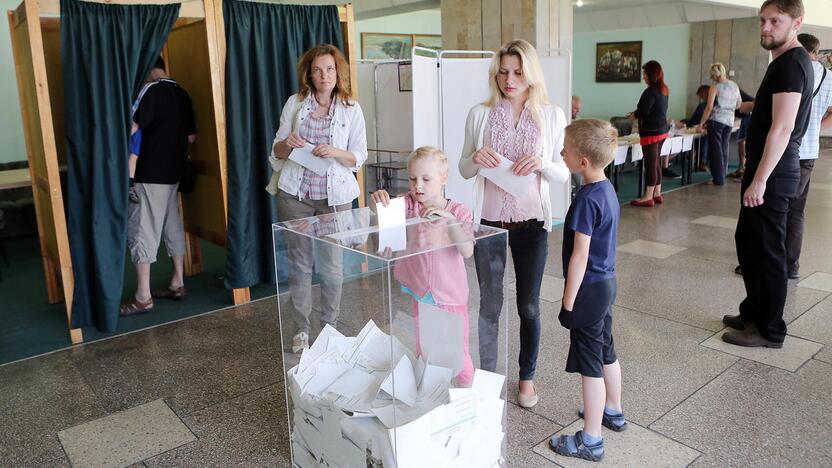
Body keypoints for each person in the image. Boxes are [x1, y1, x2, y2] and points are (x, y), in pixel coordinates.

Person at [459, 39, 569, 408]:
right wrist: (475, 157)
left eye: (518, 72)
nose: (509, 79)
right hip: (488, 222)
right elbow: (463, 168)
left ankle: (527, 379)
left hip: (532, 223)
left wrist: (541, 164)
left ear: (531, 74)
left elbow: (563, 171)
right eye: (503, 71)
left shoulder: (551, 116)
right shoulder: (480, 113)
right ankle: (488, 378)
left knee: (529, 306)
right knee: (490, 304)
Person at [723, 0, 814, 349]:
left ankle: (770, 329)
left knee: (768, 250)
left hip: (773, 172)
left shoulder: (791, 64)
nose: (765, 27)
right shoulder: (782, 62)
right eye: (762, 20)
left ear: (796, 22)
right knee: (748, 241)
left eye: (775, 21)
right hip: (768, 168)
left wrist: (759, 178)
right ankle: (753, 312)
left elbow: (783, 127)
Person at [268, 44, 368, 353]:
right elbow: (276, 152)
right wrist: (288, 142)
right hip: (295, 194)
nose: (324, 75)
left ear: (338, 72)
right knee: (299, 264)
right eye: (317, 70)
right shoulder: (296, 104)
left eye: (329, 68)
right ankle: (301, 329)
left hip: (333, 197)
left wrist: (335, 151)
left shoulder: (352, 108)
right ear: (309, 75)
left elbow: (359, 157)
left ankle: (330, 328)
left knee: (332, 265)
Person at [549, 119, 623, 462]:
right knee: (607, 349)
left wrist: (567, 304)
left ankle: (591, 439)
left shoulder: (585, 201)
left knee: (590, 364)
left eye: (566, 149)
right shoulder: (607, 190)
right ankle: (613, 410)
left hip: (588, 292)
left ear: (583, 163)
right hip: (606, 285)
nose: (561, 152)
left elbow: (579, 257)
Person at [372, 147, 475, 386]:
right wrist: (375, 201)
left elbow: (467, 251)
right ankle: (429, 392)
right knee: (425, 346)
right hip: (420, 291)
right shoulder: (409, 205)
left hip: (449, 295)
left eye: (426, 179)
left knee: (458, 353)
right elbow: (380, 212)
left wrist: (449, 221)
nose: (418, 186)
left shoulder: (459, 211)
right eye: (412, 179)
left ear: (444, 178)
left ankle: (465, 397)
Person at [120, 57, 196, 316]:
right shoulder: (181, 92)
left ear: (146, 69)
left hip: (150, 174)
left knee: (143, 230)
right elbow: (191, 137)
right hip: (174, 173)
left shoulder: (149, 90)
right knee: (172, 224)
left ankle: (143, 296)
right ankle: (178, 282)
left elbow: (131, 128)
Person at [786, 33, 832, 279]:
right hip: (809, 151)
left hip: (786, 148)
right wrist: (815, 128)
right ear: (816, 50)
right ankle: (791, 266)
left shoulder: (792, 69)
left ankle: (770, 263)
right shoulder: (829, 77)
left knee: (777, 207)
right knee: (797, 210)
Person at [628, 60, 670, 207]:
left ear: (651, 74)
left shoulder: (650, 91)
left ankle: (647, 196)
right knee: (656, 162)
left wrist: (634, 115)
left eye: (645, 74)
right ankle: (657, 193)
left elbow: (644, 111)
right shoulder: (664, 89)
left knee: (651, 164)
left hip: (651, 132)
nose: (643, 77)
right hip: (662, 131)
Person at [696, 63, 741, 185]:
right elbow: (738, 104)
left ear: (716, 74)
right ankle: (722, 176)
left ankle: (718, 179)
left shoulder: (715, 87)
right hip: (729, 121)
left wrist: (701, 123)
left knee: (715, 150)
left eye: (712, 75)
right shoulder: (735, 86)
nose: (712, 78)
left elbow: (709, 108)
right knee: (723, 148)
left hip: (717, 120)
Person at [678, 85, 710, 171]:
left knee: (705, 136)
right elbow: (693, 120)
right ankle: (701, 161)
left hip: (711, 129)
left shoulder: (714, 105)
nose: (701, 98)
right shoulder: (701, 106)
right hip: (700, 128)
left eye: (701, 95)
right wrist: (683, 122)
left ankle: (702, 162)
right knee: (703, 135)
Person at [729, 89, 756, 179]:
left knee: (743, 142)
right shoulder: (732, 89)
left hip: (749, 115)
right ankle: (742, 168)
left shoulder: (732, 91)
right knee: (742, 142)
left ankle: (743, 169)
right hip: (747, 115)